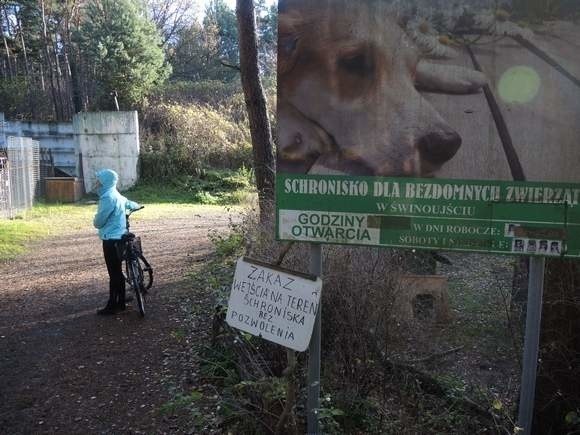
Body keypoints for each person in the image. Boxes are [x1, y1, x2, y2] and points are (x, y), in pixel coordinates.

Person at [93, 169, 140, 315]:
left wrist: (95, 220)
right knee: (118, 271)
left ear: (105, 181)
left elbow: (99, 222)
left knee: (114, 273)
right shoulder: (116, 194)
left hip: (110, 239)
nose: (96, 183)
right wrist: (136, 205)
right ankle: (120, 301)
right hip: (120, 237)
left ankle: (113, 305)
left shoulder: (107, 197)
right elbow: (129, 203)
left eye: (98, 180)